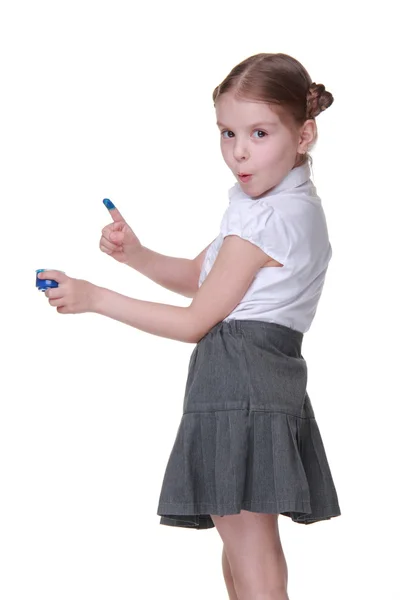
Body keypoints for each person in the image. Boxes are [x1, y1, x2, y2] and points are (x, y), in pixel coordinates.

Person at [38, 52, 341, 600]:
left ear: (304, 134)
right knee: (240, 543)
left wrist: (94, 297)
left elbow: (195, 319)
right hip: (255, 379)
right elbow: (204, 279)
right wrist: (136, 255)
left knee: (250, 548)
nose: (239, 151)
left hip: (240, 381)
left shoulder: (268, 220)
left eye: (259, 132)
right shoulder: (277, 208)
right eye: (227, 133)